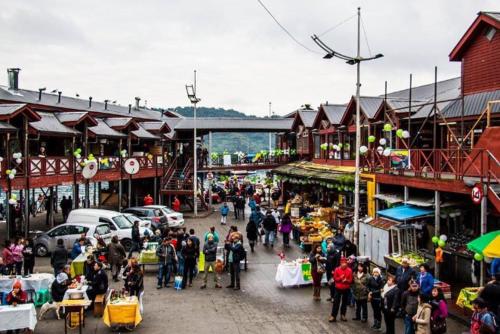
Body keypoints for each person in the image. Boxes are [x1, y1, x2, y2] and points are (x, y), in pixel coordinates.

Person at [329, 257, 353, 322]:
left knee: (344, 303)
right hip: (338, 288)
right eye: (343, 263)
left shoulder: (349, 270)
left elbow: (351, 280)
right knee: (336, 302)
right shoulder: (337, 269)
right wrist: (340, 278)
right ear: (340, 263)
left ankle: (343, 315)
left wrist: (346, 280)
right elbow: (335, 279)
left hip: (346, 288)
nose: (344, 264)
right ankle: (333, 316)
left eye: (345, 263)